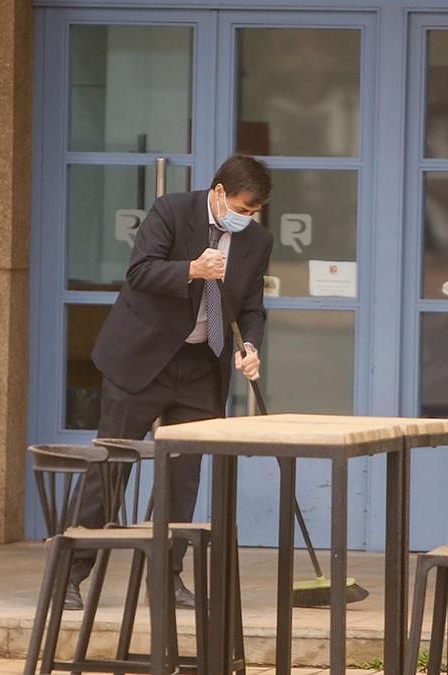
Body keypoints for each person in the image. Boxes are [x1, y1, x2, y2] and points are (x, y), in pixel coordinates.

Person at [65, 154, 274, 610]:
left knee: (183, 477)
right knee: (111, 466)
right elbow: (139, 272)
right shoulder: (171, 211)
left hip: (203, 364)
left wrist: (251, 347)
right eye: (241, 208)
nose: (246, 218)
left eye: (253, 212)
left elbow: (253, 306)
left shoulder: (257, 241)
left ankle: (167, 579)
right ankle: (70, 574)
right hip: (142, 359)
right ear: (218, 193)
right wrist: (191, 269)